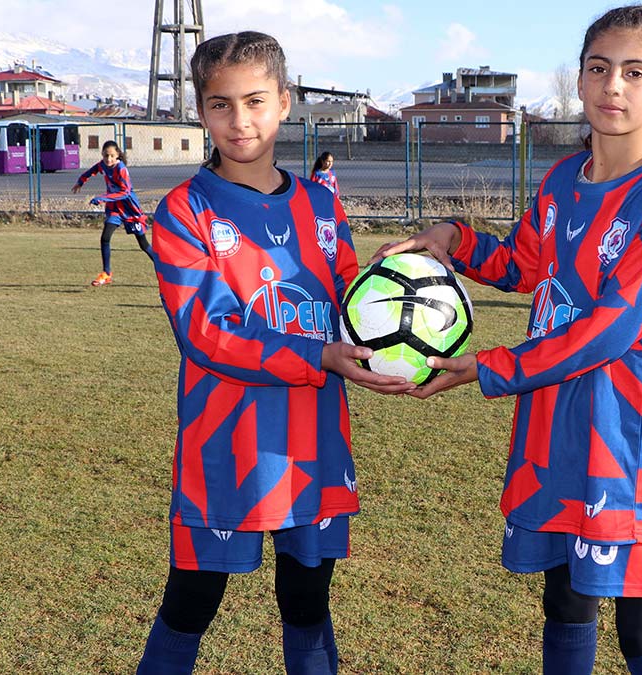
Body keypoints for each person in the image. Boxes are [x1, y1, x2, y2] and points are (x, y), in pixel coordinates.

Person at [372, 5, 642, 673]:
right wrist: (454, 238)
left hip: (623, 434)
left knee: (640, 624)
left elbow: (608, 330)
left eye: (635, 72)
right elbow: (523, 265)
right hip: (552, 422)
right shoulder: (559, 182)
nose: (613, 86)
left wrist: (487, 367)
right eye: (599, 68)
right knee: (565, 600)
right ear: (579, 81)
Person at [138, 31, 412, 674]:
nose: (240, 120)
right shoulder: (184, 212)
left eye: (256, 101)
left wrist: (397, 294)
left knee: (307, 601)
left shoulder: (321, 205)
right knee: (193, 600)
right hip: (226, 443)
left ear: (285, 102)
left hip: (313, 442)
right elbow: (205, 331)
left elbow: (349, 304)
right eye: (221, 104)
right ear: (200, 111)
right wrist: (316, 358)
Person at [71, 140, 153, 286]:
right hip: (115, 208)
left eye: (111, 156)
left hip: (130, 209)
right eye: (105, 156)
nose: (108, 159)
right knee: (105, 237)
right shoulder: (103, 165)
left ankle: (165, 268)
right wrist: (80, 182)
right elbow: (91, 171)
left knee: (143, 244)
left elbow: (125, 192)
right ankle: (106, 274)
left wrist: (103, 198)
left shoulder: (121, 169)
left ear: (117, 156)